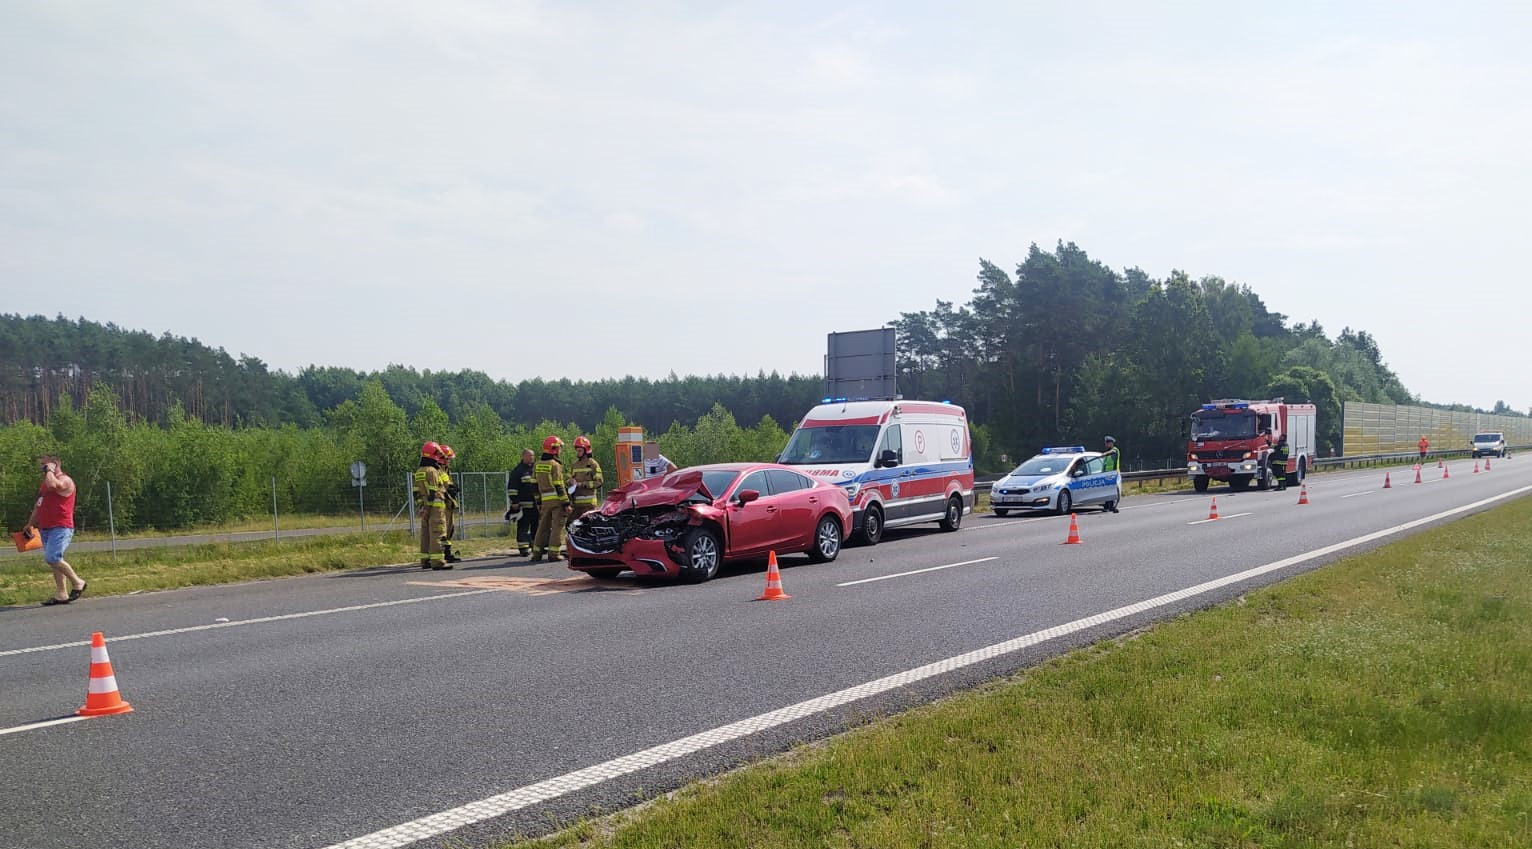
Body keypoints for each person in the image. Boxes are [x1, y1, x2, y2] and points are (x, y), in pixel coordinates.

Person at [26, 454, 86, 605]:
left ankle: (78, 582)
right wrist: (30, 524)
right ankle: (61, 594)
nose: (42, 468)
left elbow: (54, 485)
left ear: (55, 463)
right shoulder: (45, 483)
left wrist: (50, 470)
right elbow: (38, 505)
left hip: (61, 527)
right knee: (54, 561)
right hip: (45, 528)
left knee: (52, 557)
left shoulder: (65, 480)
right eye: (42, 466)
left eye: (44, 465)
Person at [531, 435, 572, 562]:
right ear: (553, 449)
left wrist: (538, 502)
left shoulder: (537, 464)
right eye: (559, 448)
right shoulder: (555, 465)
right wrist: (566, 503)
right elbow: (559, 485)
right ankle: (554, 554)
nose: (560, 451)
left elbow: (533, 485)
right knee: (556, 527)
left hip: (544, 501)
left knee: (542, 527)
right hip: (557, 501)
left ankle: (536, 553)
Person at [413, 442, 451, 570]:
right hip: (436, 508)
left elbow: (416, 492)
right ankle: (438, 561)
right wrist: (429, 506)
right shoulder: (432, 471)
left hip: (424, 507)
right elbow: (434, 491)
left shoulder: (418, 471)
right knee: (437, 533)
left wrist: (423, 507)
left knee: (425, 534)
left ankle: (425, 560)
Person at [505, 448, 538, 556]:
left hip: (535, 504)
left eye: (533, 456)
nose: (532, 458)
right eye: (529, 456)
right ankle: (523, 548)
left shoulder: (535, 470)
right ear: (523, 456)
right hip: (523, 505)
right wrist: (514, 501)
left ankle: (535, 545)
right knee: (523, 526)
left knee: (536, 525)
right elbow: (512, 488)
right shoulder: (518, 471)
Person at [567, 435, 604, 522]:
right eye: (576, 450)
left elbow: (599, 482)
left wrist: (583, 484)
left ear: (586, 450)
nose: (577, 453)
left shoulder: (593, 464)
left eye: (580, 450)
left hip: (589, 505)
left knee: (588, 527)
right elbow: (567, 479)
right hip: (576, 505)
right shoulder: (574, 465)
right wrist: (570, 481)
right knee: (571, 526)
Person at [438, 444, 462, 564]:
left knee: (450, 528)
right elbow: (443, 486)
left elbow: (449, 484)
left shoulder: (446, 469)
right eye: (448, 459)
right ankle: (441, 554)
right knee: (442, 529)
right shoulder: (437, 470)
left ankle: (447, 553)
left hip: (448, 504)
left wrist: (453, 488)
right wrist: (451, 488)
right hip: (442, 504)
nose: (450, 461)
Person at [1100, 436, 1121, 512]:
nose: (1105, 445)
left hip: (1114, 474)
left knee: (1112, 490)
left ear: (1111, 443)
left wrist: (1105, 454)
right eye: (1105, 443)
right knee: (1107, 490)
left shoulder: (1115, 450)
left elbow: (1113, 452)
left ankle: (1112, 506)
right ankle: (1107, 506)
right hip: (1107, 475)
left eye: (1107, 443)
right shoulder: (1107, 453)